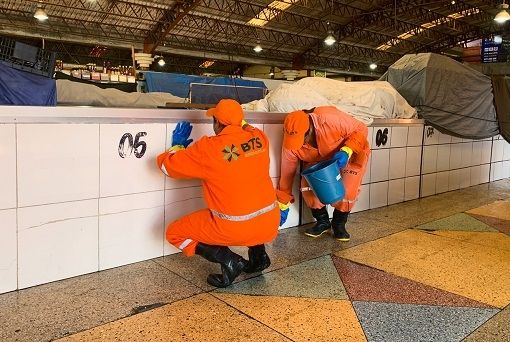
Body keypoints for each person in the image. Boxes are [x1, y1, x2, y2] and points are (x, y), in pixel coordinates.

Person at [156, 99, 279, 288]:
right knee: (251, 204)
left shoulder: (209, 149)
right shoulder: (259, 138)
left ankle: (230, 261)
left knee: (174, 233)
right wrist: (238, 122)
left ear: (217, 122)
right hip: (270, 223)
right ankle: (259, 258)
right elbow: (245, 128)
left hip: (234, 228)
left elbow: (167, 167)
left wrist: (177, 147)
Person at [276, 106, 370, 241]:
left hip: (349, 153)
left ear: (310, 129)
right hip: (321, 159)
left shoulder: (328, 117)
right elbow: (286, 174)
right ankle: (323, 222)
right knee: (307, 187)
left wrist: (347, 150)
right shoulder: (290, 145)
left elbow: (362, 128)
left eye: (302, 139)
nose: (300, 144)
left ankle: (339, 223)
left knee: (348, 189)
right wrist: (283, 203)